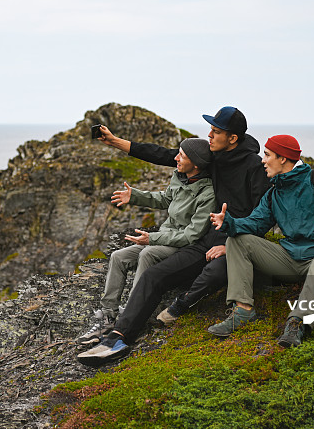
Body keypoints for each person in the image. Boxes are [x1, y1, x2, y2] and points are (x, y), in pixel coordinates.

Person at [77, 106, 270, 367]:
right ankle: (118, 337)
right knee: (153, 275)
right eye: (211, 130)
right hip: (204, 240)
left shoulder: (254, 167)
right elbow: (163, 154)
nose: (209, 135)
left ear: (233, 138)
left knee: (210, 273)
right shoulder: (213, 157)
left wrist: (233, 244)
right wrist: (115, 141)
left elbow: (264, 215)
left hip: (233, 242)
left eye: (215, 131)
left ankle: (165, 313)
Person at [207, 135, 314, 348]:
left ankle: (297, 323)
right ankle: (243, 311)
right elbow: (254, 224)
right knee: (237, 241)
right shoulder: (274, 194)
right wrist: (229, 222)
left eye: (267, 155)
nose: (262, 160)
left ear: (283, 158)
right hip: (293, 258)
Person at [77, 138, 216, 345]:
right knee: (118, 256)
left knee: (147, 253)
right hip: (164, 236)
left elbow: (191, 235)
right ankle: (108, 317)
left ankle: (132, 315)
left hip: (182, 245)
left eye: (182, 156)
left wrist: (151, 238)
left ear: (196, 164)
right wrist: (135, 196)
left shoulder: (208, 194)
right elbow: (165, 199)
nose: (176, 158)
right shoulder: (180, 176)